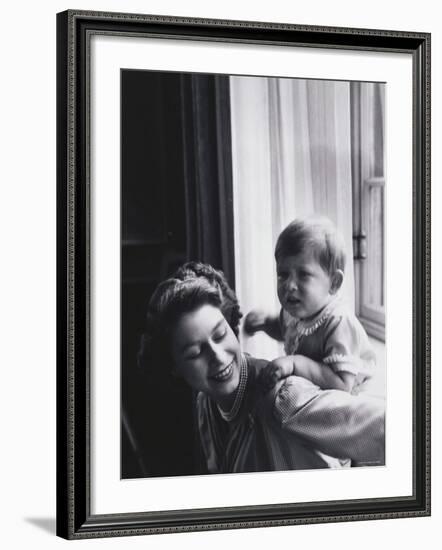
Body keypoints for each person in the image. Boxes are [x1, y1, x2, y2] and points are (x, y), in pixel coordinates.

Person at [138, 261, 384, 475]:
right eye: (195, 353)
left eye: (220, 334)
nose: (217, 355)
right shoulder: (206, 405)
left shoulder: (284, 399)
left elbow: (388, 427)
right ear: (175, 367)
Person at [244, 216, 376, 395]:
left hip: (349, 400)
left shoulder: (338, 322)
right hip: (315, 390)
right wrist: (266, 323)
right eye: (283, 274)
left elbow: (342, 384)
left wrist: (295, 363)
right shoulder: (296, 309)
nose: (290, 285)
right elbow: (285, 331)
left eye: (303, 274)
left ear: (334, 283)